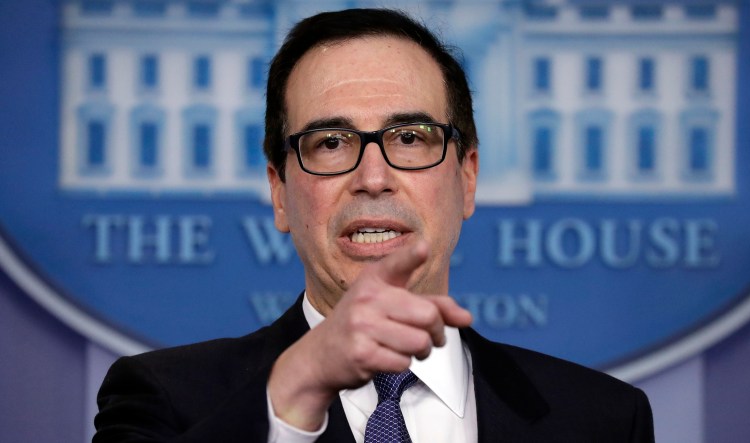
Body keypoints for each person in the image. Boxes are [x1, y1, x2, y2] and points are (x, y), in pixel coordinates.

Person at [93, 8, 654, 443]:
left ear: (469, 177)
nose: (373, 176)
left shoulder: (602, 418)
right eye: (331, 143)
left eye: (410, 137)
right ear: (279, 192)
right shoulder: (165, 398)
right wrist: (293, 393)